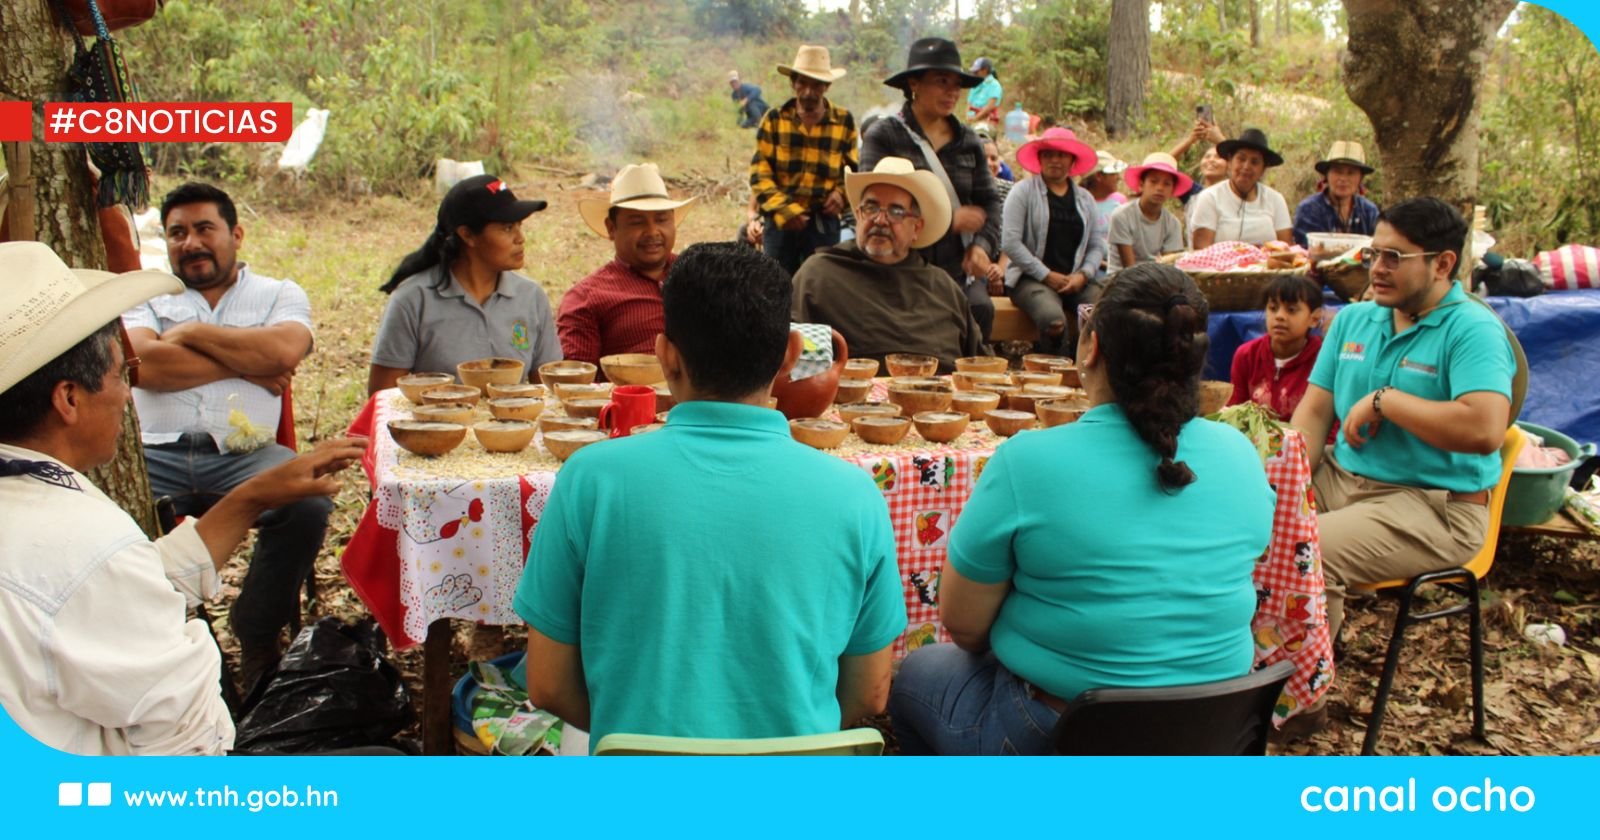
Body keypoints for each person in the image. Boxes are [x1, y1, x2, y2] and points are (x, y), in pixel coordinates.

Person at [515, 242, 906, 751]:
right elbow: (870, 693)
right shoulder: (857, 494)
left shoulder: (591, 478)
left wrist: (635, 733)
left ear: (664, 356)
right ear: (791, 356)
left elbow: (547, 685)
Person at [889, 263, 1274, 755]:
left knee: (919, 672)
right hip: (1212, 739)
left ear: (1091, 347)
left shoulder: (1027, 460)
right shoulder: (1241, 452)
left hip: (1057, 737)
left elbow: (964, 626)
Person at [0, 241, 365, 755]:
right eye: (119, 377)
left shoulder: (36, 506)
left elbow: (124, 583)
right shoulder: (82, 541)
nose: (129, 395)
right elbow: (190, 744)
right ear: (69, 399)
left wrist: (251, 497)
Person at [1289, 198, 1515, 736]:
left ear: (1442, 264)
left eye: (1395, 256)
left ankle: (1296, 702)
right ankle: (1226, 666)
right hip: (1344, 478)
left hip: (1432, 504)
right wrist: (1283, 479)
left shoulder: (1472, 331)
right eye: (1374, 253)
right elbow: (1315, 412)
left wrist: (1386, 400)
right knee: (1240, 516)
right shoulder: (1355, 320)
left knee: (1307, 550)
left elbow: (1484, 430)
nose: (1378, 267)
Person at [123, 182, 326, 686]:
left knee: (309, 502)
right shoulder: (146, 294)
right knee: (106, 507)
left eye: (203, 229)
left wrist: (189, 335)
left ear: (236, 233)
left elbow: (283, 352)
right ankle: (179, 627)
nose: (190, 242)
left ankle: (256, 628)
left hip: (248, 454)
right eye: (177, 233)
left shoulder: (279, 293)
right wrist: (245, 366)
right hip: (154, 454)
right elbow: (142, 364)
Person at [861, 37, 1003, 346]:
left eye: (957, 84)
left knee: (978, 311)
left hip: (956, 267)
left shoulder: (969, 141)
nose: (952, 92)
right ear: (914, 83)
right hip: (898, 264)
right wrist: (948, 220)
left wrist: (981, 246)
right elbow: (871, 205)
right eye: (941, 82)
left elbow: (990, 202)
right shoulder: (884, 136)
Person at [370, 175, 561, 393]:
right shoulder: (412, 300)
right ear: (468, 235)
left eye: (519, 226)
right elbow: (383, 397)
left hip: (513, 424)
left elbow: (548, 391)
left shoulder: (531, 297)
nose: (520, 238)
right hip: (439, 425)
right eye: (507, 228)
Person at [791, 157, 982, 373]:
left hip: (941, 400)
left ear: (917, 228)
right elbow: (793, 366)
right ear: (857, 215)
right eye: (871, 208)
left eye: (896, 211)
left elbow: (978, 364)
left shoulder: (943, 287)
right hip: (852, 400)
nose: (880, 220)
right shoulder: (819, 276)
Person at [558, 163, 696, 367]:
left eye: (661, 219)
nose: (652, 231)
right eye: (637, 222)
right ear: (611, 228)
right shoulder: (586, 300)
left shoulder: (701, 277)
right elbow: (578, 387)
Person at [1000, 127, 1109, 358]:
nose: (1055, 160)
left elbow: (1097, 244)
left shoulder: (1085, 199)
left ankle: (1083, 369)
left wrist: (1084, 275)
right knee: (1053, 321)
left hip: (1076, 279)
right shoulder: (1022, 192)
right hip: (1030, 279)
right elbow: (1010, 242)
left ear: (1072, 160)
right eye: (1048, 154)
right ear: (1039, 158)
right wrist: (1045, 274)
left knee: (1100, 312)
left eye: (1061, 155)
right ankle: (1052, 369)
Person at [749, 45, 857, 277]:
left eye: (816, 84)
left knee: (820, 287)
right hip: (780, 223)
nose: (808, 92)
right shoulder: (775, 120)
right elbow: (760, 174)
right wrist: (785, 210)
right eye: (803, 83)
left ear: (827, 86)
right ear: (793, 82)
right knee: (774, 287)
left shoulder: (843, 121)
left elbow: (854, 171)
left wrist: (841, 193)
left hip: (823, 222)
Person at [1226, 274, 1326, 421]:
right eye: (1273, 308)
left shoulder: (1323, 358)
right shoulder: (1246, 355)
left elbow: (1329, 420)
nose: (1279, 316)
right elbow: (1234, 413)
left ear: (1314, 319)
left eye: (1291, 310)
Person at [1188, 128, 1293, 250]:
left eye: (1255, 162)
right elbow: (1201, 250)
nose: (1246, 166)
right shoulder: (1210, 197)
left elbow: (1285, 248)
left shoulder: (1275, 199)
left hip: (1267, 268)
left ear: (1263, 170)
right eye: (1241, 159)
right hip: (1220, 268)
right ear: (1230, 162)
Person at [1107, 152, 1191, 274]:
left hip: (1156, 279)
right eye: (1153, 181)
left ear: (1172, 190)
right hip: (1121, 280)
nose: (1159, 188)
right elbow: (1129, 268)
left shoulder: (1173, 224)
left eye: (1166, 184)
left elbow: (1169, 265)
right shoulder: (1122, 215)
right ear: (1142, 185)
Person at [1293, 140, 1381, 255]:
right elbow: (1307, 250)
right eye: (1338, 171)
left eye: (1351, 173)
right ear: (1326, 175)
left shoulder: (1369, 211)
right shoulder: (1309, 209)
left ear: (1360, 178)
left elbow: (1377, 248)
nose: (1343, 179)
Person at [1081, 150, 1129, 222]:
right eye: (1113, 173)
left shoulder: (1120, 200)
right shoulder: (1080, 203)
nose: (1119, 178)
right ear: (1099, 176)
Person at [966, 56, 1002, 128]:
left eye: (976, 71)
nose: (974, 73)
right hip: (972, 119)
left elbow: (990, 106)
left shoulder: (994, 85)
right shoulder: (976, 84)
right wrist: (968, 116)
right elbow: (969, 102)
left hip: (986, 120)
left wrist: (976, 118)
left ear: (984, 70)